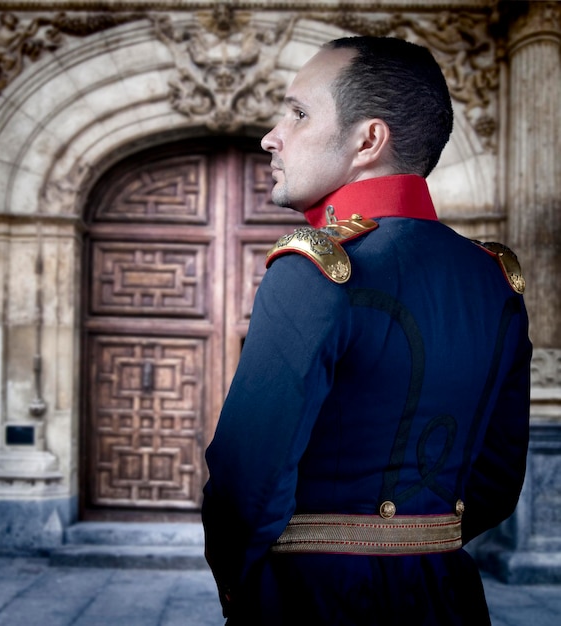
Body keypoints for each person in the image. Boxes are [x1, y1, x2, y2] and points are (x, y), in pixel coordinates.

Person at [201, 36, 532, 625]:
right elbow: (498, 482)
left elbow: (243, 479)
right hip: (448, 596)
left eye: (298, 112)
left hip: (312, 600)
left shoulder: (317, 268)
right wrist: (412, 545)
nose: (271, 136)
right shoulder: (496, 281)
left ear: (368, 140)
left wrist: (242, 594)